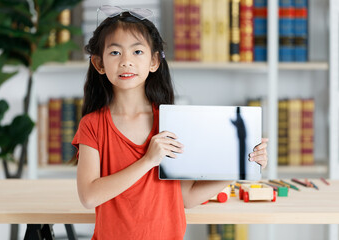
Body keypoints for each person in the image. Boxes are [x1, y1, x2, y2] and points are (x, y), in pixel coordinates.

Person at [72, 5, 268, 240]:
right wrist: (148, 161)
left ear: (154, 61)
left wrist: (243, 166)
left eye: (137, 52)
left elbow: (187, 198)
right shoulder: (92, 125)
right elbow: (89, 197)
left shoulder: (173, 122)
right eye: (115, 52)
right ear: (99, 63)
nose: (126, 61)